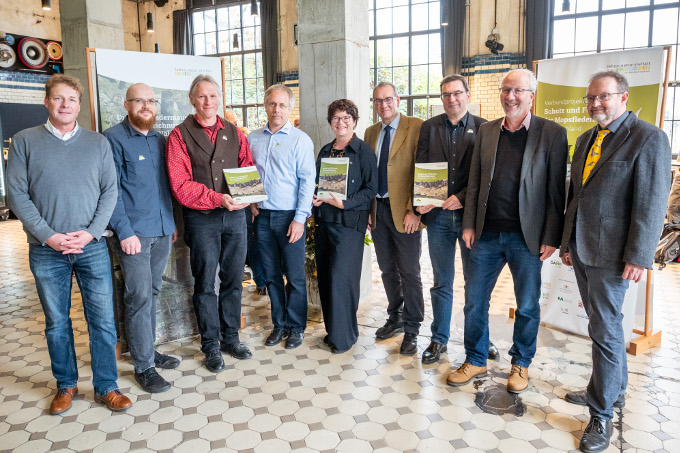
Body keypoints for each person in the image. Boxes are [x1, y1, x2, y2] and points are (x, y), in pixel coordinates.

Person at [6, 74, 132, 413]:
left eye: (71, 100)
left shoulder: (97, 143)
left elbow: (110, 192)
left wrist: (91, 232)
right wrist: (49, 236)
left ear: (79, 105)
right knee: (57, 322)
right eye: (59, 99)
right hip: (47, 250)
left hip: (91, 246)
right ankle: (66, 386)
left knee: (103, 320)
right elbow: (17, 195)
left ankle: (106, 386)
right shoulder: (24, 141)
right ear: (47, 102)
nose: (65, 105)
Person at [560, 71, 671, 453]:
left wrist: (640, 256)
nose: (595, 105)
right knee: (603, 326)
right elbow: (577, 195)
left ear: (623, 97)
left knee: (605, 333)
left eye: (603, 97)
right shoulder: (586, 138)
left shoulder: (649, 138)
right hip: (582, 247)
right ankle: (613, 391)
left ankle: (601, 414)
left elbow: (651, 204)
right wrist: (566, 241)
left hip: (615, 254)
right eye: (591, 99)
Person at [448, 69, 568, 393]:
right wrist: (470, 223)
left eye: (518, 90)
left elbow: (557, 193)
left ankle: (521, 363)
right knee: (474, 301)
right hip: (486, 234)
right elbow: (474, 181)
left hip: (526, 238)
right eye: (506, 90)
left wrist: (551, 236)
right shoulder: (486, 131)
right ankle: (475, 358)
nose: (510, 96)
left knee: (527, 304)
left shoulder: (553, 134)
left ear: (532, 95)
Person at [166, 75, 254, 373]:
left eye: (213, 96)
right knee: (205, 283)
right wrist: (218, 199)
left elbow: (246, 167)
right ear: (192, 99)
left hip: (236, 217)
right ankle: (211, 344)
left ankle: (231, 337)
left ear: (220, 99)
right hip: (202, 219)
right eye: (202, 97)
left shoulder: (235, 132)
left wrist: (247, 195)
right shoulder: (179, 135)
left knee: (233, 279)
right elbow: (180, 185)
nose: (208, 102)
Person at [104, 83, 180, 394]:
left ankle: (147, 350)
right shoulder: (113, 139)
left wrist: (171, 222)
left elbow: (165, 186)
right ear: (127, 104)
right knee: (137, 298)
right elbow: (111, 191)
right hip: (134, 234)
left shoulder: (161, 141)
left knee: (152, 291)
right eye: (139, 101)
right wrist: (125, 231)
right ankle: (144, 367)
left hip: (162, 230)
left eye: (150, 101)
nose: (146, 106)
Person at [415, 74, 492, 364]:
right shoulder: (429, 127)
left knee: (476, 284)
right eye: (446, 94)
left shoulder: (484, 128)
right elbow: (421, 167)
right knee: (441, 281)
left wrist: (461, 196)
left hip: (471, 218)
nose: (452, 99)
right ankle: (439, 339)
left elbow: (485, 173)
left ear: (467, 95)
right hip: (437, 220)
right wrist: (420, 202)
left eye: (457, 93)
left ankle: (481, 339)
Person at [249, 84, 315, 349]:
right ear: (265, 106)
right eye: (272, 104)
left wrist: (300, 218)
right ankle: (280, 325)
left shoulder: (300, 140)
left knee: (296, 277)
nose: (277, 110)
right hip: (262, 216)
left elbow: (307, 181)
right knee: (271, 275)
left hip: (290, 218)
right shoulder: (253, 138)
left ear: (290, 108)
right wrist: (252, 201)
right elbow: (248, 173)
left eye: (282, 105)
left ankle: (297, 327)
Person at [364, 81, 425, 355]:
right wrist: (366, 209)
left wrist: (416, 210)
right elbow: (367, 175)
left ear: (397, 100)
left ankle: (412, 328)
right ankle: (395, 317)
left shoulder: (416, 126)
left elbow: (422, 170)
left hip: (406, 213)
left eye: (388, 99)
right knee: (387, 269)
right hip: (378, 211)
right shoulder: (370, 132)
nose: (383, 105)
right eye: (378, 100)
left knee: (409, 272)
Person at [313, 99, 377, 353]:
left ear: (354, 121)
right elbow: (318, 182)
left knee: (343, 279)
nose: (341, 122)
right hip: (324, 221)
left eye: (346, 118)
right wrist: (316, 197)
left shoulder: (363, 151)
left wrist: (347, 203)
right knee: (327, 278)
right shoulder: (326, 151)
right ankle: (333, 332)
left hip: (349, 223)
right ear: (330, 122)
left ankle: (345, 336)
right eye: (336, 118)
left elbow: (372, 188)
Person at [224, 110, 265, 294]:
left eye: (234, 122)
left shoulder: (242, 139)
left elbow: (248, 167)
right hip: (218, 206)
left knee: (251, 242)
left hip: (243, 204)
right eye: (229, 121)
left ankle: (260, 280)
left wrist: (252, 200)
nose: (233, 125)